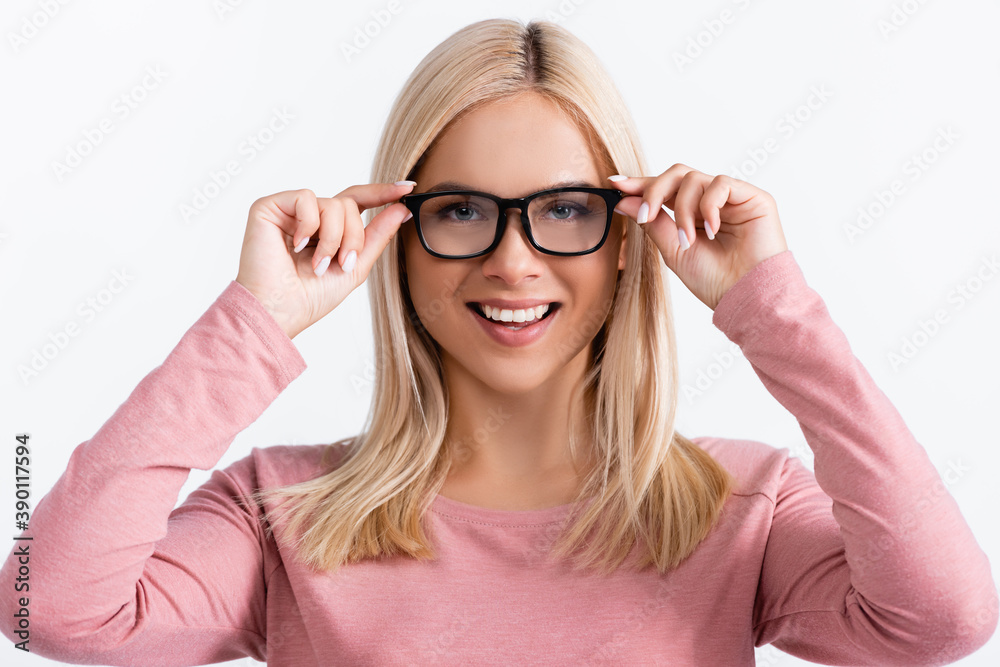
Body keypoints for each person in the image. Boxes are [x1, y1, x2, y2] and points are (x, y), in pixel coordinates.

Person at [2, 17, 997, 667]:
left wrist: (771, 308)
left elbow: (943, 618)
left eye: (565, 209)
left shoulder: (744, 507)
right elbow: (45, 600)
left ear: (625, 241)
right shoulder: (281, 511)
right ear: (395, 240)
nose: (514, 262)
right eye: (462, 210)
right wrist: (252, 324)